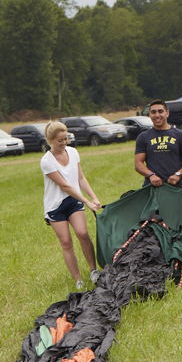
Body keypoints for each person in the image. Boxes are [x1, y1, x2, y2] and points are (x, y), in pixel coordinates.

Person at [41, 120, 102, 290]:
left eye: (65, 139)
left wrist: (94, 197)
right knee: (66, 243)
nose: (64, 143)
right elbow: (65, 186)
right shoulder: (47, 161)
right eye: (59, 140)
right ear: (50, 140)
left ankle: (93, 271)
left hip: (74, 202)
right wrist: (87, 202)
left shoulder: (73, 152)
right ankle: (78, 280)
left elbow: (80, 178)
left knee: (83, 233)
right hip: (55, 206)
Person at [135, 99, 182, 187]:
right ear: (149, 115)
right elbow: (138, 163)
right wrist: (151, 175)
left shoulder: (180, 135)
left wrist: (178, 174)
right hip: (152, 188)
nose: (157, 115)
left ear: (167, 113)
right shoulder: (143, 137)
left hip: (175, 187)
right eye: (153, 112)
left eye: (160, 111)